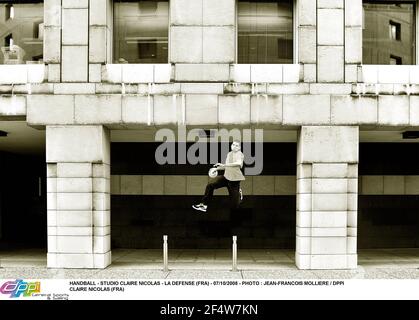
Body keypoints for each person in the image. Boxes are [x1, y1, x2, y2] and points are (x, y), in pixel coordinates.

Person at [192, 140, 245, 213]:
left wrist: (224, 165)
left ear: (239, 148)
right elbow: (227, 167)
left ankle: (238, 194)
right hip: (226, 177)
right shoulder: (229, 154)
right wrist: (217, 168)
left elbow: (238, 164)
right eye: (233, 144)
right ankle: (204, 205)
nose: (234, 146)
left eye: (236, 145)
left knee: (235, 205)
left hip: (234, 181)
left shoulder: (240, 154)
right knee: (210, 185)